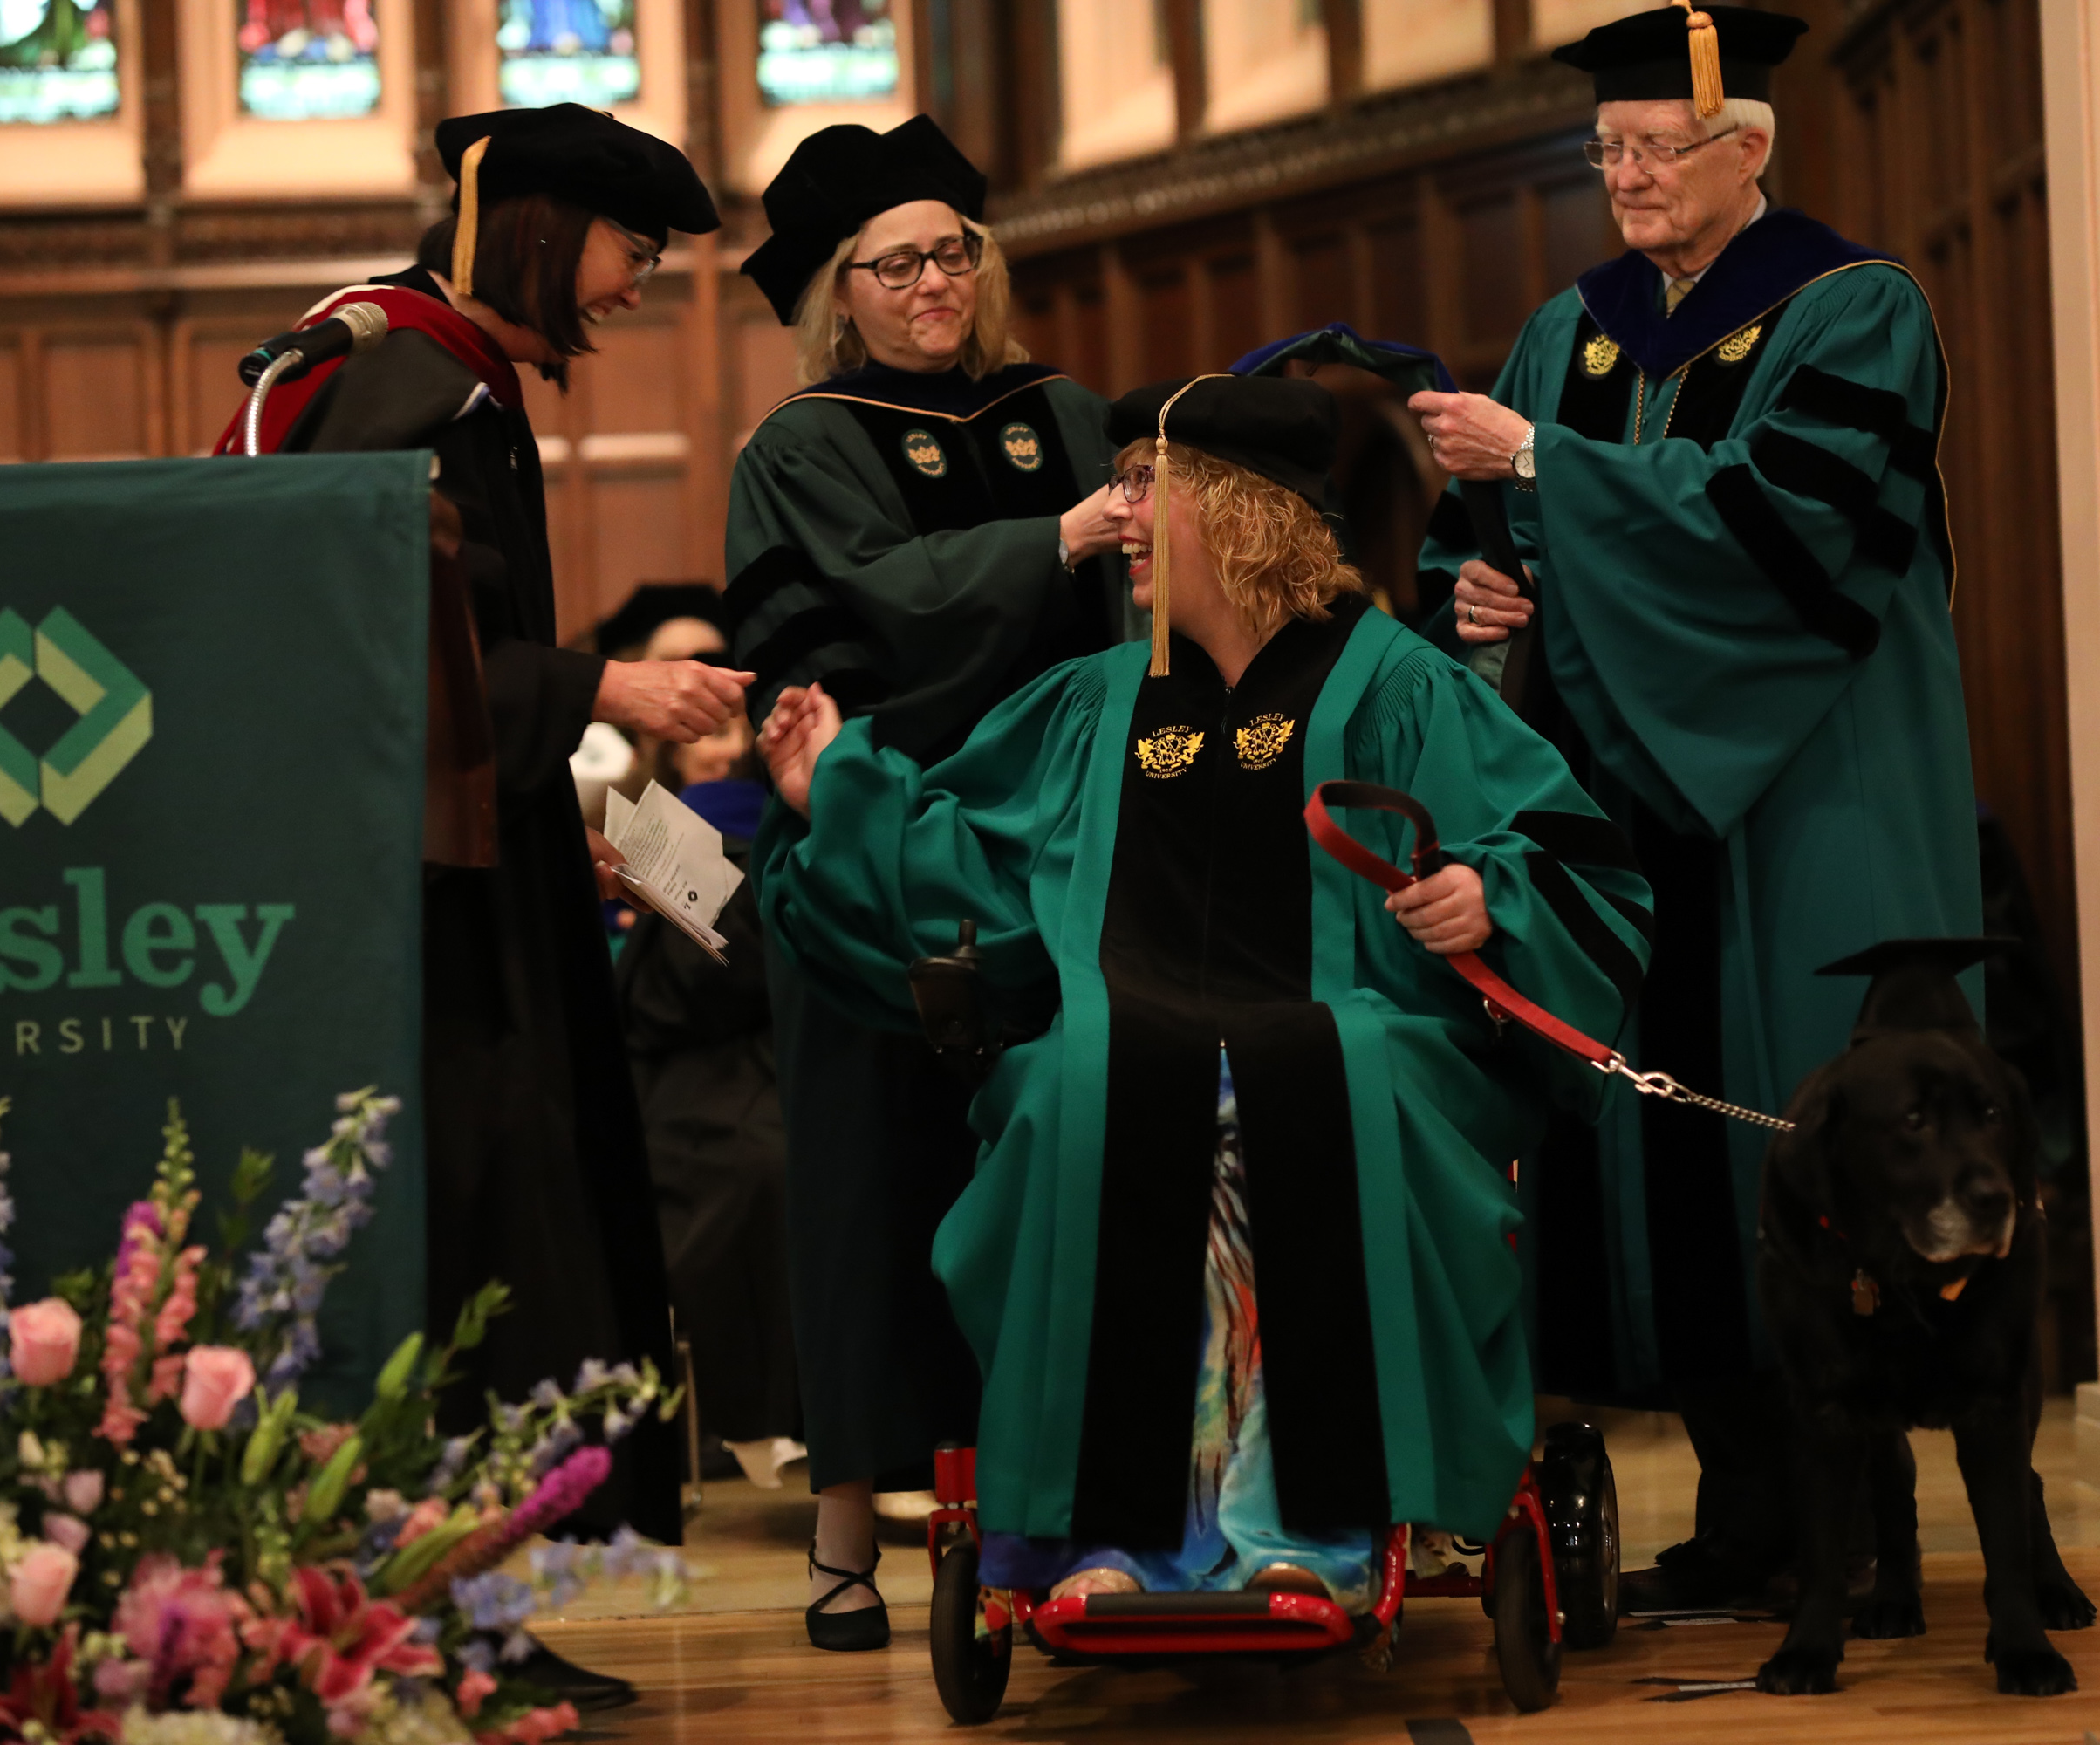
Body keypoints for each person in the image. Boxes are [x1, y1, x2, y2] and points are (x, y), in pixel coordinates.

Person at [749, 373, 1652, 1603]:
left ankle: (1312, 1528)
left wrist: (1488, 895)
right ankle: (1112, 1539)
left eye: (1142, 490)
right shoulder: (1098, 704)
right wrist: (838, 793)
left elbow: (1559, 850)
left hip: (1364, 1033)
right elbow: (979, 864)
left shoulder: (1395, 684)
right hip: (1133, 1036)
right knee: (1083, 1081)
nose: (1118, 518)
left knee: (1320, 1079)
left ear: (1236, 515)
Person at [1407, 4, 1982, 1609]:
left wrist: (1551, 481)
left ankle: (1866, 1538)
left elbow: (1797, 535)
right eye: (1609, 153)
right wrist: (1478, 595)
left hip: (1807, 789)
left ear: (1750, 151)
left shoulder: (1853, 311)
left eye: (1661, 149)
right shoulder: (1568, 334)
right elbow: (1483, 544)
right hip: (1621, 801)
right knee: (1658, 1147)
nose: (1631, 179)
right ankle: (1744, 1518)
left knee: (1808, 1139)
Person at [219, 105, 744, 1699]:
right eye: (629, 250)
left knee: (517, 1244)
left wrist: (545, 819)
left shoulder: (441, 373)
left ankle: (472, 1625)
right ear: (533, 227)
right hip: (415, 936)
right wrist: (606, 687)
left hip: (463, 884)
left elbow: (442, 668)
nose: (638, 286)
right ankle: (429, 1636)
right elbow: (356, 655)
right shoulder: (410, 384)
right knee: (471, 1247)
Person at [722, 113, 1133, 1649]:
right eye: (893, 264)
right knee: (864, 1193)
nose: (930, 285)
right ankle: (844, 1542)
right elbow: (863, 615)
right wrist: (1063, 536)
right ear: (841, 290)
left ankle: (1060, 1518)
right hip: (876, 854)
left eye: (952, 254)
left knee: (1052, 1182)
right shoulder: (804, 445)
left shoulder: (1065, 412)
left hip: (1055, 855)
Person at [613, 715, 805, 1488]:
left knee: (777, 1163)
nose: (722, 747)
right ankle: (763, 1418)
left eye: (732, 728)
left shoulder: (780, 815)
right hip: (689, 1073)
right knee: (751, 1168)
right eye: (704, 730)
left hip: (754, 1056)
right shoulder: (644, 819)